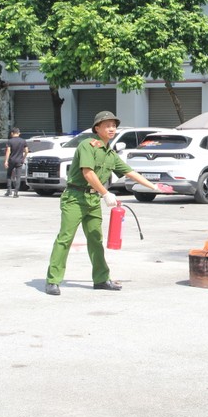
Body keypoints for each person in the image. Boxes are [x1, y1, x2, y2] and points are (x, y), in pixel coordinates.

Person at [44, 111, 172, 296]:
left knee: (96, 240)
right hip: (75, 197)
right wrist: (106, 193)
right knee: (65, 238)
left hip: (93, 199)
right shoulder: (87, 145)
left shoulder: (110, 154)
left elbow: (129, 172)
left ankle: (101, 279)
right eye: (107, 125)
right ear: (97, 128)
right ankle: (53, 280)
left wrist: (154, 186)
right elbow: (88, 173)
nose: (112, 128)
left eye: (114, 125)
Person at [3, 127, 28, 198]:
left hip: (11, 160)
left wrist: (6, 161)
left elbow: (8, 151)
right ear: (18, 133)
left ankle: (9, 190)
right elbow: (26, 151)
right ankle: (16, 193)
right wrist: (23, 158)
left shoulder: (10, 141)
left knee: (9, 175)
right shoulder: (23, 141)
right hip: (19, 161)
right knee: (18, 177)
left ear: (12, 133)